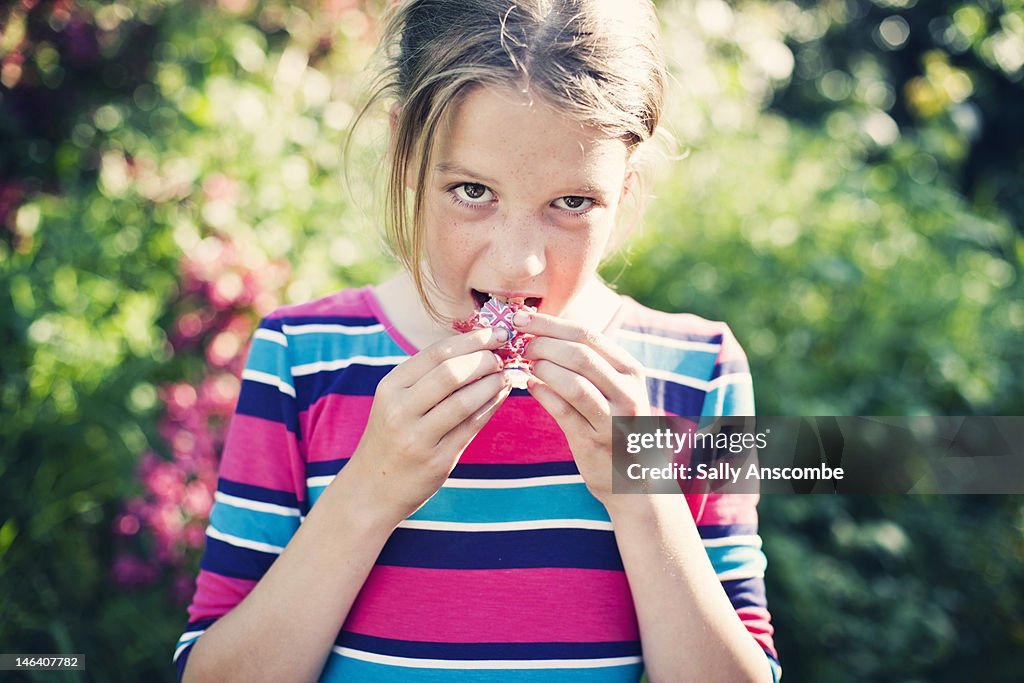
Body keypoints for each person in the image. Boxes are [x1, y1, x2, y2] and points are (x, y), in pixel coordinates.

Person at [174, 0, 780, 681]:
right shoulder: (302, 358)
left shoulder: (700, 375)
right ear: (407, 151)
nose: (518, 264)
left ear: (627, 187)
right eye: (472, 190)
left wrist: (645, 503)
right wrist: (368, 494)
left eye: (572, 203)